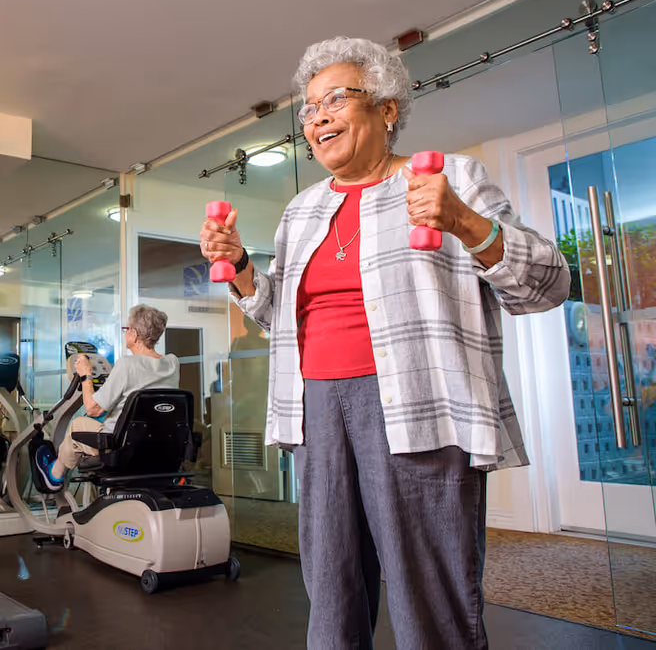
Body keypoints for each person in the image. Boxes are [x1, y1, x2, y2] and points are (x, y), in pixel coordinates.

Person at [199, 36, 570, 650]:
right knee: (332, 590)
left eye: (336, 99)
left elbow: (547, 284)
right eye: (309, 108)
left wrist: (467, 224)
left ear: (388, 108)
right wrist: (240, 268)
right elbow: (280, 322)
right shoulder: (302, 211)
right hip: (317, 410)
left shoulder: (450, 178)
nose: (317, 117)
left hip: (417, 406)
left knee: (430, 598)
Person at [34, 304, 180, 491]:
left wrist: (86, 374)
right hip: (158, 445)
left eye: (126, 329)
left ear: (134, 334)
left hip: (120, 446)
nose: (125, 333)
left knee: (78, 424)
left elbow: (93, 408)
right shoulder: (172, 364)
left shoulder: (127, 365)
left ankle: (54, 476)